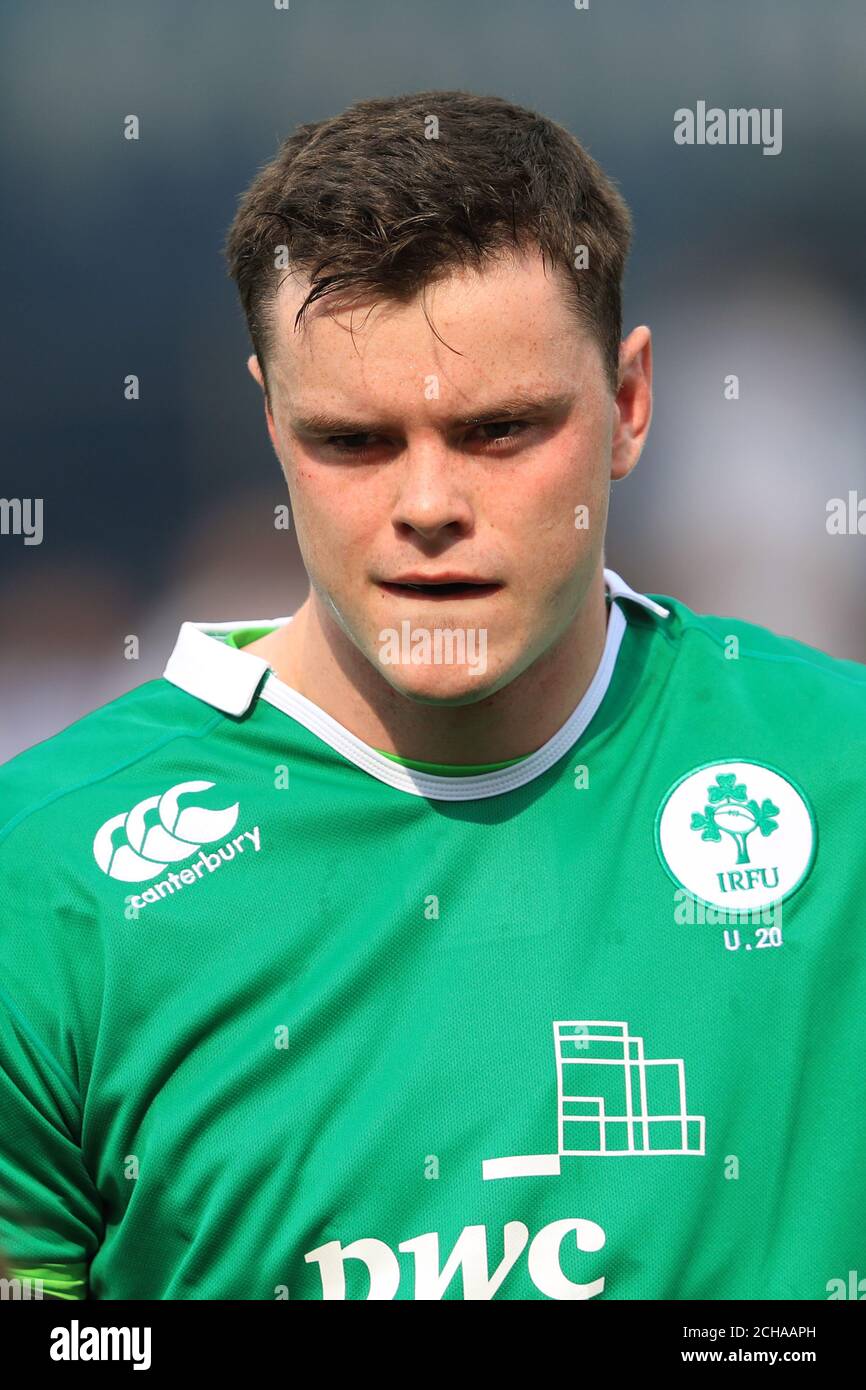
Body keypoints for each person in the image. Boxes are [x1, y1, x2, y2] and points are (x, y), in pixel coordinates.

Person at [1, 90, 864, 1302]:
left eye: (500, 429)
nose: (425, 506)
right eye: (351, 441)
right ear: (268, 420)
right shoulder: (43, 882)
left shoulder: (841, 785)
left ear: (626, 405)